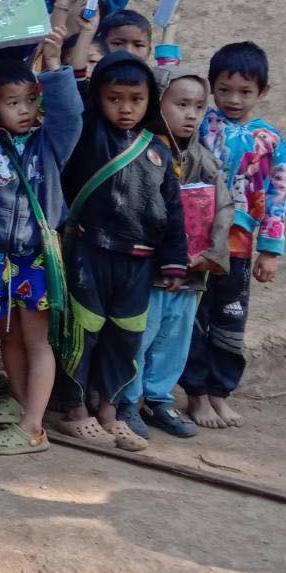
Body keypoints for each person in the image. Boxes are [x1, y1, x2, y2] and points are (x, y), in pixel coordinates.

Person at [57, 51, 188, 451]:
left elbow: (173, 208)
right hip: (89, 252)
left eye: (136, 98)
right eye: (115, 98)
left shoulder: (159, 150)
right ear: (99, 97)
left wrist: (174, 258)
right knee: (82, 332)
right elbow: (70, 95)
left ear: (151, 100)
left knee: (125, 339)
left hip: (138, 261)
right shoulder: (86, 132)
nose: (126, 107)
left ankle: (109, 411)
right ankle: (75, 410)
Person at [0, 44, 82, 456]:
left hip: (32, 255)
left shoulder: (50, 143)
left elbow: (69, 114)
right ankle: (21, 402)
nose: (24, 110)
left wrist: (53, 68)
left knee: (36, 340)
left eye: (31, 100)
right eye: (12, 102)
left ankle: (34, 427)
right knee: (7, 337)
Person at [115, 72, 231, 439]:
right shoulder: (142, 152)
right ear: (158, 105)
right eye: (181, 105)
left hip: (194, 272)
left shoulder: (206, 161)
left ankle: (160, 398)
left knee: (175, 338)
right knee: (142, 336)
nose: (191, 115)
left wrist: (209, 255)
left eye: (199, 106)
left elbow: (224, 210)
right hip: (151, 271)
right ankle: (127, 401)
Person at [183, 41, 286, 430]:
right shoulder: (201, 127)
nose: (234, 99)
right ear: (211, 87)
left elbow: (278, 195)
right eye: (224, 89)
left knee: (230, 317)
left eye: (245, 91)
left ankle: (219, 392)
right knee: (193, 314)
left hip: (239, 244)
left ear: (263, 92)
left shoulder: (270, 141)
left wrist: (270, 250)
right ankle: (194, 394)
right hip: (198, 239)